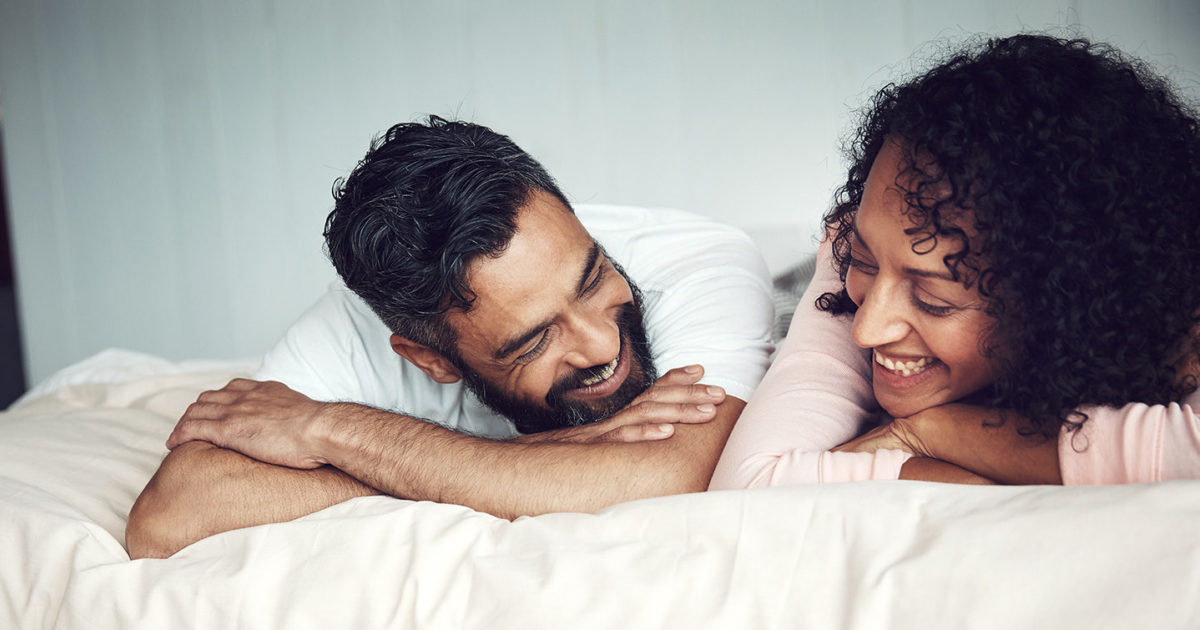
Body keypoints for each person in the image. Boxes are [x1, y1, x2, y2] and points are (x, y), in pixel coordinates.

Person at [127, 117, 775, 558]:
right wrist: (569, 455)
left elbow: (677, 474)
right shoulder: (350, 331)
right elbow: (170, 517)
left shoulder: (698, 259)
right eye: (532, 341)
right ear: (428, 359)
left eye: (591, 277)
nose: (601, 346)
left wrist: (335, 434)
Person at [710, 34, 1200, 489]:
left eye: (934, 301)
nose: (866, 329)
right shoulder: (853, 242)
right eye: (865, 260)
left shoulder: (1170, 317)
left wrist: (931, 434)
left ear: (1064, 304)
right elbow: (753, 482)